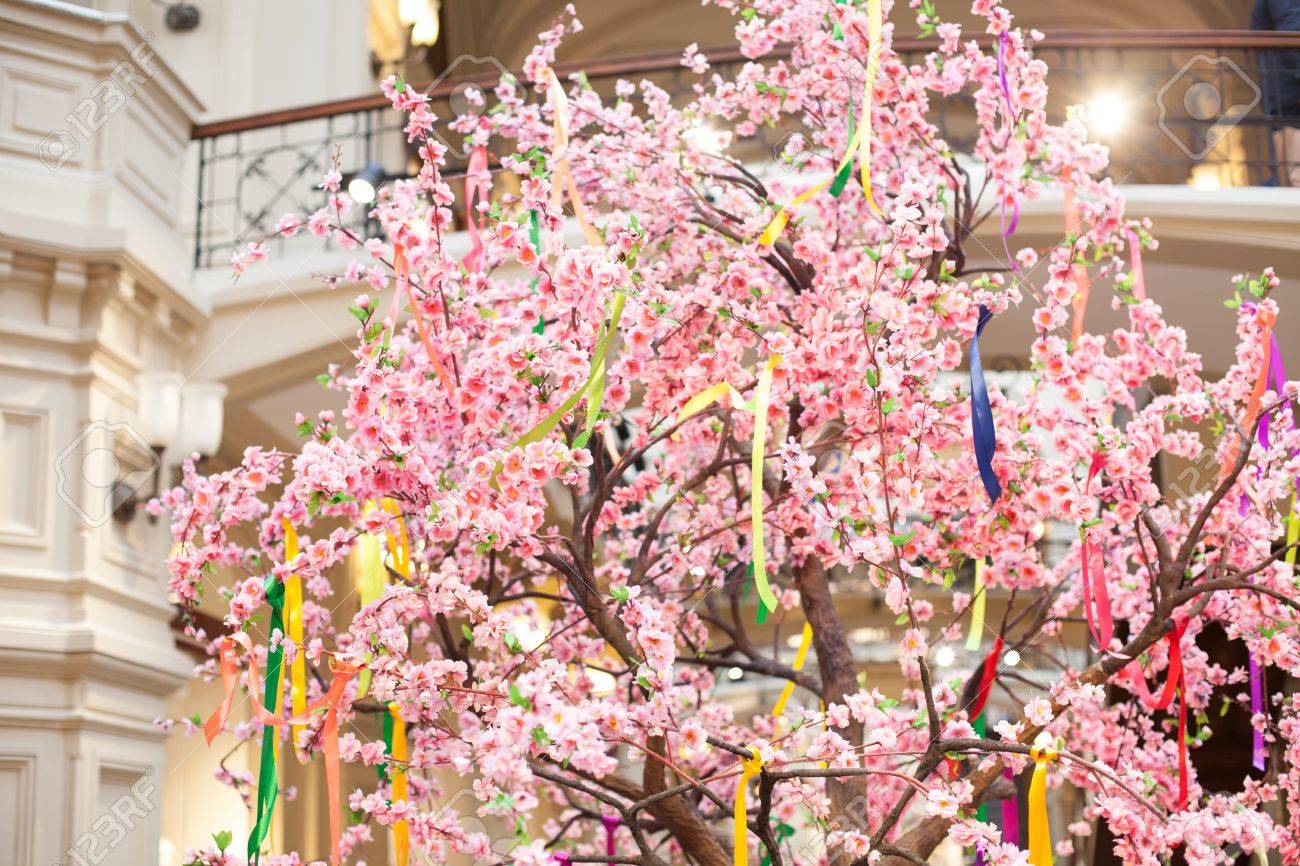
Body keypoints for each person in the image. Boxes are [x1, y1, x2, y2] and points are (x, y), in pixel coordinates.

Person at [1251, 0, 1300, 184]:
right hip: (1290, 106)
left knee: (1290, 181)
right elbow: (1293, 31)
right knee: (1293, 180)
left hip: (1286, 105)